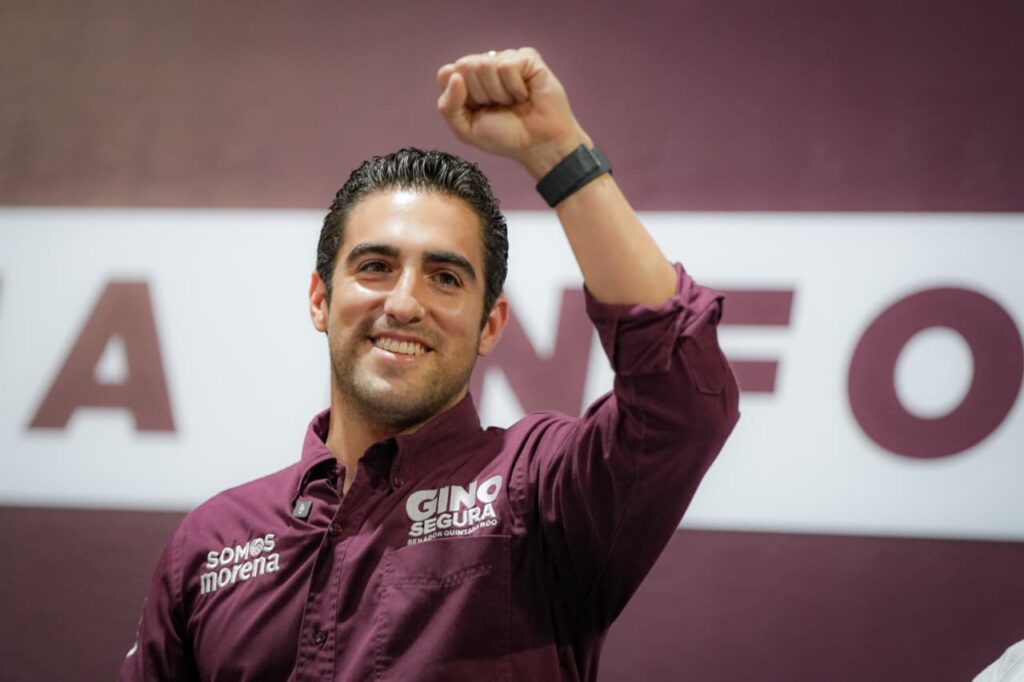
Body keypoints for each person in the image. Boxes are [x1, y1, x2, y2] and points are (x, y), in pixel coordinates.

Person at [120, 47, 739, 681]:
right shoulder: (210, 543)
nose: (404, 303)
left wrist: (559, 152)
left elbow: (681, 403)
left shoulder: (538, 490)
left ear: (490, 325)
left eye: (445, 277)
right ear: (319, 300)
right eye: (375, 267)